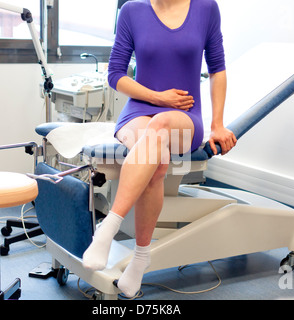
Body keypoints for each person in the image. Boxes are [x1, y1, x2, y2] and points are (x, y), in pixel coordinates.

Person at [82, 0, 237, 298]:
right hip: (138, 111)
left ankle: (107, 229)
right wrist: (157, 97)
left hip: (184, 114)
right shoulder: (131, 11)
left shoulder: (206, 8)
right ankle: (141, 259)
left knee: (161, 126)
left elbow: (218, 70)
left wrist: (217, 123)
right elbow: (116, 75)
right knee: (158, 159)